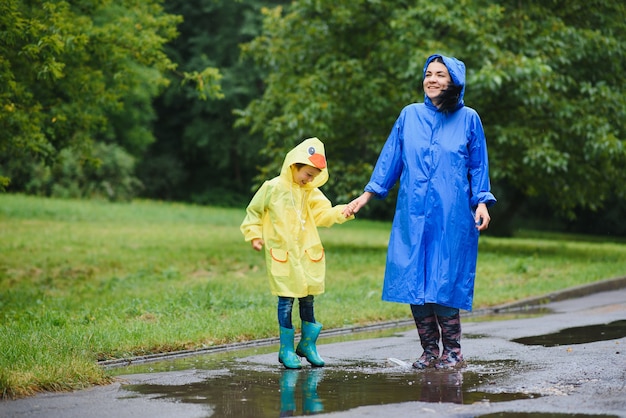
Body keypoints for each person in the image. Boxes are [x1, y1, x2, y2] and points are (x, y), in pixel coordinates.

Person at [343, 54, 496, 369]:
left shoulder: (469, 118)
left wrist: (481, 201)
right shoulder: (409, 116)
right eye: (428, 73)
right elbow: (391, 159)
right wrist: (367, 195)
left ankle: (452, 352)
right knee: (415, 279)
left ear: (454, 81)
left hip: (451, 216)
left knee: (445, 280)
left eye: (441, 74)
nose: (433, 79)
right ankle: (429, 351)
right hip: (412, 214)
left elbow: (478, 165)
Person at [241, 137, 354, 369]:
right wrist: (254, 235)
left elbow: (324, 214)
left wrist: (343, 211)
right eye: (307, 174)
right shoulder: (272, 188)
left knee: (307, 298)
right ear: (294, 166)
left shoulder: (311, 192)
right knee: (285, 300)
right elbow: (254, 211)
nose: (309, 180)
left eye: (313, 176)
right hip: (282, 255)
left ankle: (307, 344)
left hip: (306, 255)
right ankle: (286, 349)